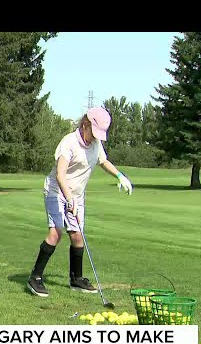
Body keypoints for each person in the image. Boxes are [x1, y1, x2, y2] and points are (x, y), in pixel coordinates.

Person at [26, 106, 133, 298]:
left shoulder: (96, 144)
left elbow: (103, 161)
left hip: (77, 195)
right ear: (85, 124)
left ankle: (76, 279)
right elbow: (60, 175)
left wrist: (120, 176)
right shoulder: (69, 143)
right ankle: (35, 278)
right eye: (94, 131)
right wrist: (68, 199)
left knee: (77, 236)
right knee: (56, 232)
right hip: (56, 191)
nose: (96, 136)